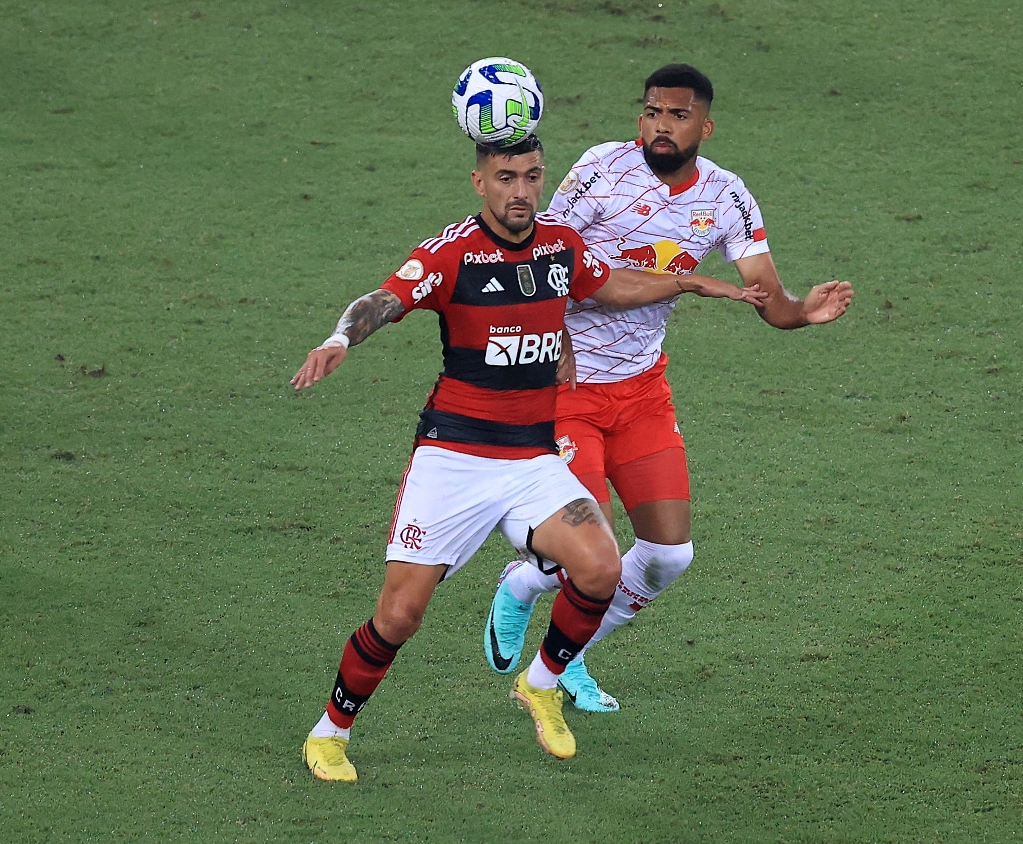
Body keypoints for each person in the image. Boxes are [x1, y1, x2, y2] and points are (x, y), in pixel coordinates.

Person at [292, 134, 765, 781]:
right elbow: (385, 299)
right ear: (479, 182)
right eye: (506, 177)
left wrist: (689, 283)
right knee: (400, 615)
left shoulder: (559, 247)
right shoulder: (452, 253)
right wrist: (340, 337)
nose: (521, 190)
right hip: (453, 460)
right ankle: (329, 732)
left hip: (530, 461)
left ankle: (541, 684)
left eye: (532, 176)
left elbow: (611, 284)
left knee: (599, 568)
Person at [483, 65, 855, 712]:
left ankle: (571, 652)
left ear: (704, 127)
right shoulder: (602, 169)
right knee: (585, 550)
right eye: (652, 111)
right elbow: (542, 254)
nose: (661, 124)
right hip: (566, 387)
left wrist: (801, 312)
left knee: (668, 556)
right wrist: (558, 343)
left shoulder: (727, 196)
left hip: (642, 393)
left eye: (677, 115)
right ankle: (523, 586)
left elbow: (765, 292)